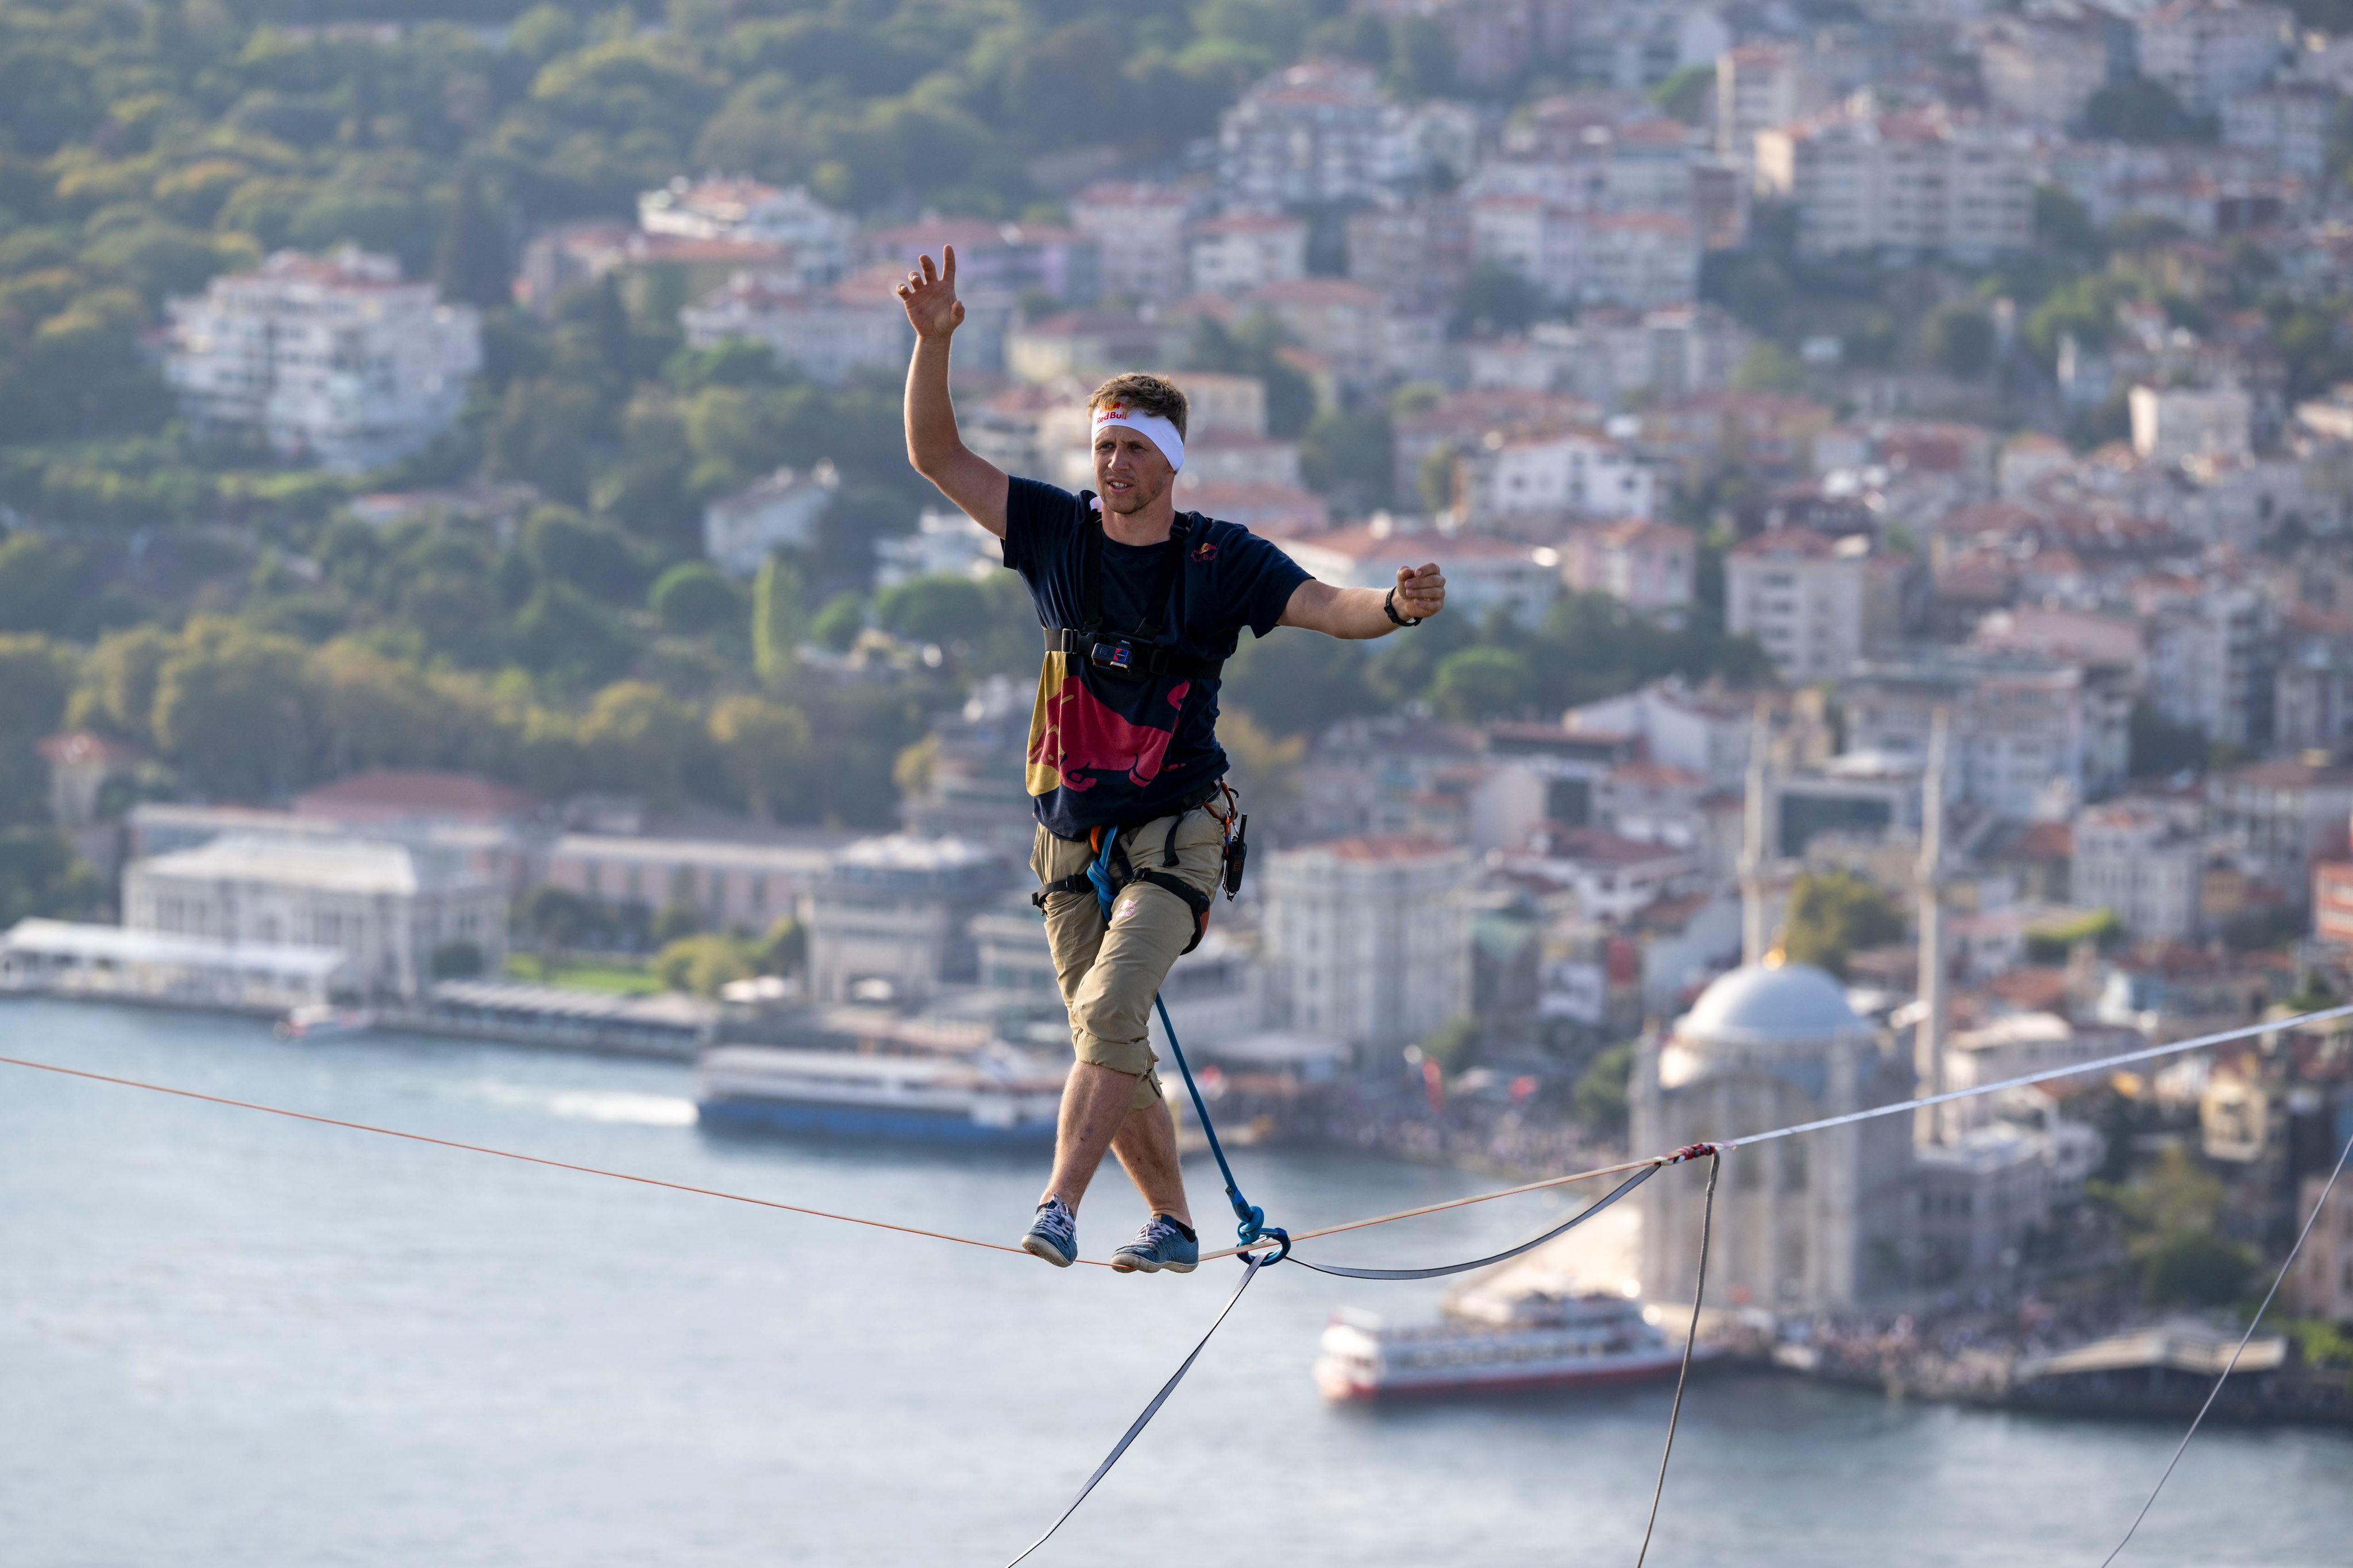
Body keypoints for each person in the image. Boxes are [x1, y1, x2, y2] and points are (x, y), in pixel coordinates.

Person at [897, 246, 1446, 1274]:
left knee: (1111, 1012)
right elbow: (937, 454)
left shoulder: (1218, 560)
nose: (1114, 465)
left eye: (1134, 449)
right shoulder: (1054, 533)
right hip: (1067, 841)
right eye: (1104, 446)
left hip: (1176, 834)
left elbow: (1326, 606)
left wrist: (1394, 606)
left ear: (1171, 462)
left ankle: (1059, 1205)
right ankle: (1175, 1225)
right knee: (1107, 1042)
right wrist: (934, 345)